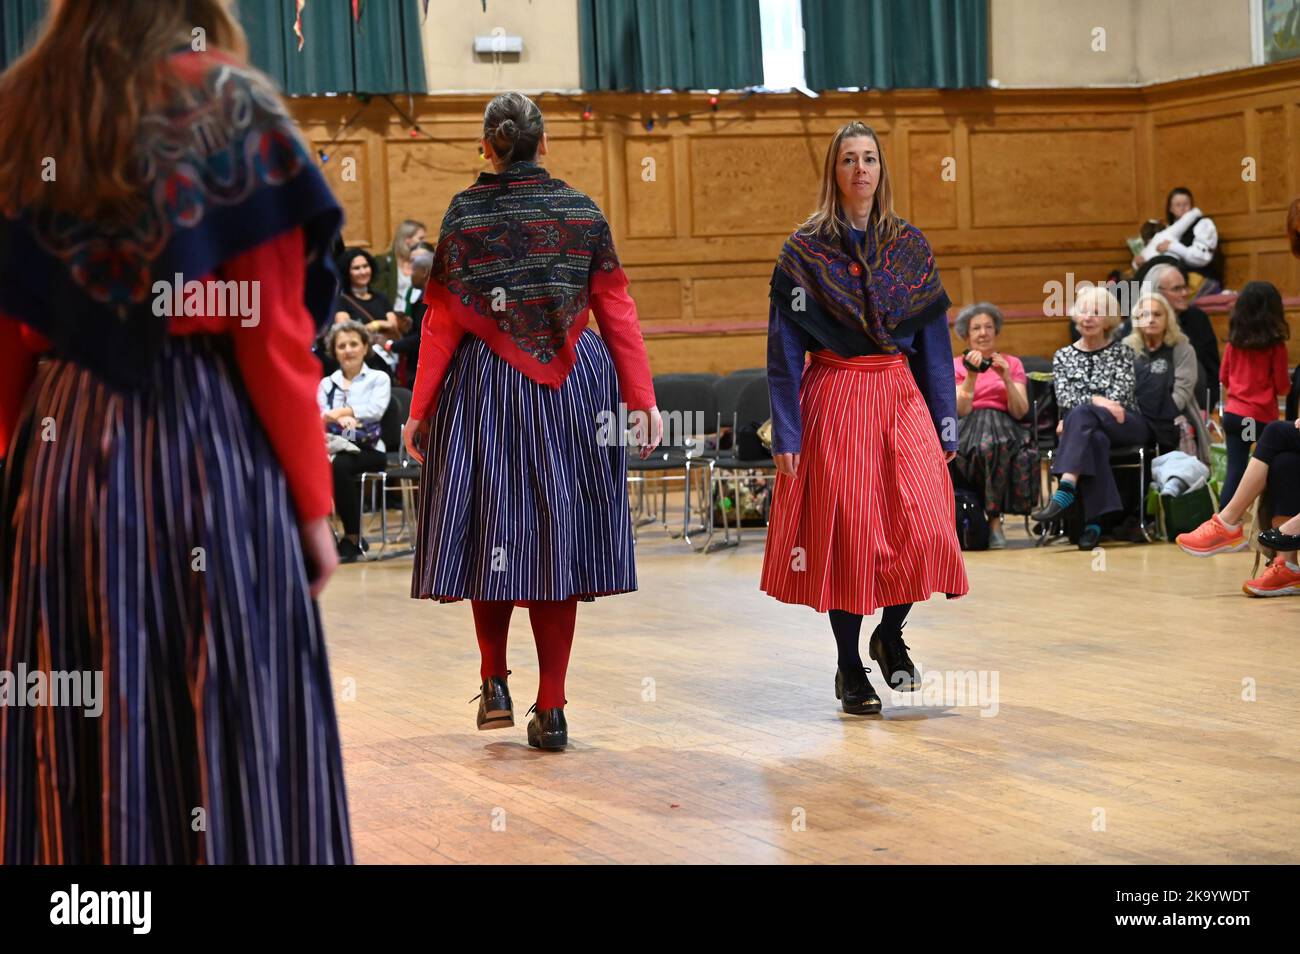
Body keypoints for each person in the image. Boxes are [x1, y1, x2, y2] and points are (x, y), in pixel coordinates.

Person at [0, 0, 351, 862]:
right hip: (209, 448)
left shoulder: (24, 105)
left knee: (68, 708)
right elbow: (271, 333)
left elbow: (6, 330)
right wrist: (312, 504)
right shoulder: (230, 103)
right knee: (228, 705)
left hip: (61, 452)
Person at [403, 92, 663, 751]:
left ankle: (494, 677)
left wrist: (418, 410)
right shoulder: (582, 211)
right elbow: (617, 311)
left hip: (484, 387)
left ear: (487, 145)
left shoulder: (465, 213)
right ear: (544, 143)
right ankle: (552, 707)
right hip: (574, 387)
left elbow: (440, 321)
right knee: (558, 544)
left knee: (490, 530)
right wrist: (642, 399)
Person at [759, 121, 969, 716]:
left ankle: (890, 630)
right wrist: (788, 430)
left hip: (900, 397)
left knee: (927, 525)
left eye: (870, 158)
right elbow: (783, 353)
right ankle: (851, 667)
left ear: (882, 169)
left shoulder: (909, 246)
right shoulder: (804, 251)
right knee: (851, 543)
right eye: (849, 159)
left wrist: (944, 421)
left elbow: (933, 345)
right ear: (835, 171)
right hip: (835, 396)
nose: (860, 169)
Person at [1031, 286, 1150, 550]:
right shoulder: (1063, 356)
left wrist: (1082, 410)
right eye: (1083, 311)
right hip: (1090, 429)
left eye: (1096, 312)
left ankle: (1065, 489)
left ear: (1107, 320)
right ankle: (1094, 523)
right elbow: (1065, 399)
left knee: (1081, 415)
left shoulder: (1122, 353)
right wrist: (1097, 400)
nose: (1088, 317)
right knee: (1093, 438)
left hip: (1126, 424)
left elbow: (1118, 400)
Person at [1175, 417, 1300, 597]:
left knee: (1274, 432)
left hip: (1238, 417)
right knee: (1284, 462)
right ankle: (1287, 564)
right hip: (1250, 417)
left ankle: (1226, 523)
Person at [951, 302, 1032, 549]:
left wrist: (1006, 377)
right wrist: (972, 376)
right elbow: (959, 410)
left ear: (996, 332)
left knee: (994, 446)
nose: (983, 333)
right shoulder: (955, 364)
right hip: (968, 423)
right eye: (976, 328)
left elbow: (1020, 411)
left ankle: (995, 522)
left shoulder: (1012, 363)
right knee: (975, 448)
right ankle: (980, 519)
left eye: (988, 327)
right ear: (966, 335)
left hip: (1004, 422)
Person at [319, 321, 393, 562]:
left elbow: (375, 410)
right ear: (334, 351)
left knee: (339, 465)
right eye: (342, 346)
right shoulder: (327, 383)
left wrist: (341, 413)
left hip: (369, 447)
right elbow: (319, 415)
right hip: (333, 444)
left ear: (364, 347)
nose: (348, 350)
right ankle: (324, 536)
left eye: (353, 344)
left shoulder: (378, 378)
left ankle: (352, 538)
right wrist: (340, 419)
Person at [1217, 281, 1291, 503]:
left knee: (1235, 469)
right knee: (1272, 468)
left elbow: (1223, 377)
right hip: (1258, 418)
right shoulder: (1276, 347)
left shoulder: (1233, 344)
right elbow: (1282, 387)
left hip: (1235, 415)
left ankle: (1223, 521)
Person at [1123, 291, 1210, 460]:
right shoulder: (1126, 349)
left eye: (1157, 314)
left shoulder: (1182, 348)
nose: (1151, 319)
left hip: (1175, 416)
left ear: (1167, 319)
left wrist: (1157, 419)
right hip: (1138, 418)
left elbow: (1182, 393)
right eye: (1144, 315)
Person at [1132, 187, 1223, 297]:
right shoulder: (1168, 230)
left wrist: (1172, 247)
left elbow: (1202, 258)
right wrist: (1139, 262)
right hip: (1168, 274)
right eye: (1178, 205)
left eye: (1186, 204)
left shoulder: (1203, 224)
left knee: (1161, 267)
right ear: (1171, 209)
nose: (1183, 208)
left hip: (1197, 276)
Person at [373, 219, 426, 313]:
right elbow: (378, 294)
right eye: (420, 239)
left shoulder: (421, 261)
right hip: (392, 315)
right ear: (407, 239)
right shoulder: (384, 261)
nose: (423, 242)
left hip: (415, 315)